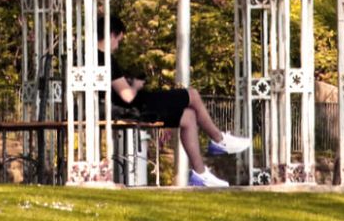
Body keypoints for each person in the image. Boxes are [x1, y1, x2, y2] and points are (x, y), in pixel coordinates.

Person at [102, 14, 250, 188]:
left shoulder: (96, 56)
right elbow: (127, 95)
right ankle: (219, 140)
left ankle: (200, 174)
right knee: (192, 94)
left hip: (129, 105)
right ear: (111, 34)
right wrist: (135, 85)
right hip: (133, 106)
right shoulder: (103, 58)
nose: (117, 46)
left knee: (188, 117)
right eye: (118, 41)